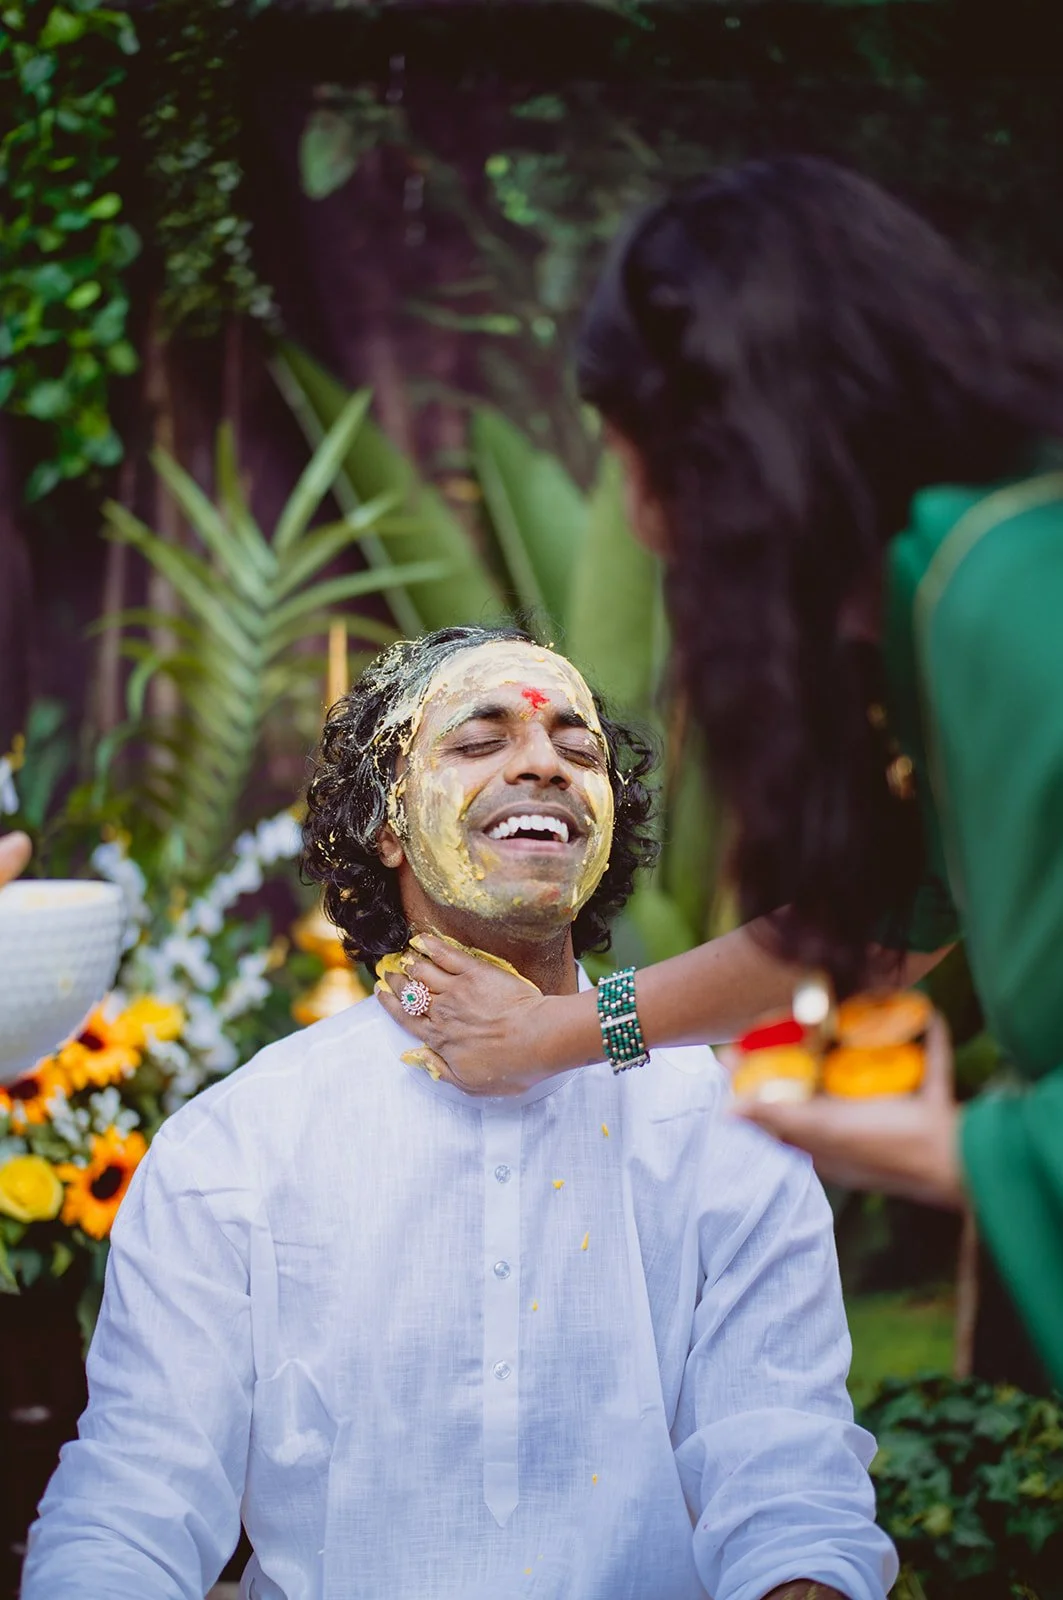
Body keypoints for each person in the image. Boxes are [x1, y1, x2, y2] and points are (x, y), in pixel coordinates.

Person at [23, 625, 895, 1600]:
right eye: (479, 742)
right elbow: (133, 1507)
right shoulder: (239, 1144)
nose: (543, 763)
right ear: (387, 824)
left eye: (580, 749)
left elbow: (789, 1499)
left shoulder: (732, 1129)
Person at [378, 157, 1063, 1392]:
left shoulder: (1006, 605)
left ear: (738, 449)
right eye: (476, 741)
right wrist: (553, 1036)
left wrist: (970, 1153)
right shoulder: (940, 592)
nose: (639, 522)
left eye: (639, 461)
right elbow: (864, 934)